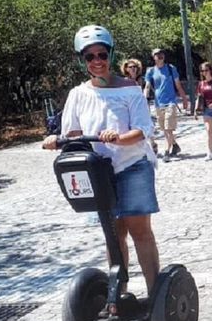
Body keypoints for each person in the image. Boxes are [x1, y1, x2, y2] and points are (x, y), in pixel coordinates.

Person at [43, 25, 161, 295]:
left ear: (110, 55)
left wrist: (119, 137)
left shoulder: (130, 90)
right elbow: (71, 134)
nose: (97, 61)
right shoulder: (78, 95)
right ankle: (118, 295)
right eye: (90, 56)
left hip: (132, 166)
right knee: (113, 234)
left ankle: (157, 297)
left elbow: (143, 130)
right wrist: (55, 140)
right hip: (98, 172)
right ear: (81, 60)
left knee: (139, 231)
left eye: (102, 54)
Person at [143, 48, 189, 162]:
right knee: (165, 129)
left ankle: (166, 152)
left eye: (161, 54)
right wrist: (144, 99)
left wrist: (184, 98)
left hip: (170, 103)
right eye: (157, 55)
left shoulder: (171, 68)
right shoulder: (151, 71)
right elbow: (147, 86)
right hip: (158, 104)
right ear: (153, 57)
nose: (160, 56)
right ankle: (174, 145)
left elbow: (178, 85)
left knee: (168, 129)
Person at [121, 58, 157, 155]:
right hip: (130, 106)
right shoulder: (124, 82)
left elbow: (146, 88)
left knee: (147, 124)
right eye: (130, 67)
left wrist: (145, 98)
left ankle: (153, 144)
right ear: (126, 69)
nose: (133, 69)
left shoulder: (141, 80)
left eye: (135, 67)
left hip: (142, 104)